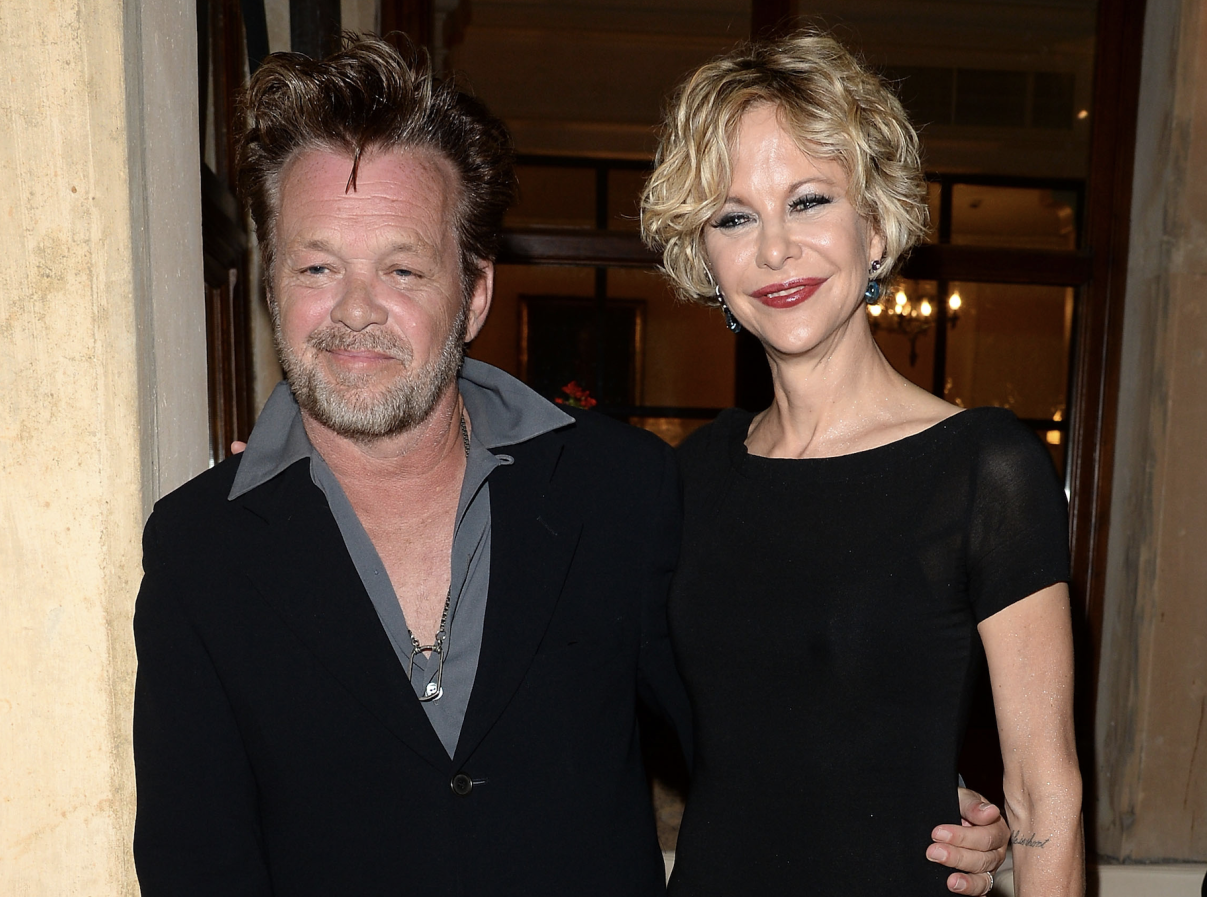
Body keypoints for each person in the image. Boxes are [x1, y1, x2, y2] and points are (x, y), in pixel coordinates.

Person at [132, 36, 1010, 896]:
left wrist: (921, 811)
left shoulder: (618, 489)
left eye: (403, 268)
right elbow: (194, 866)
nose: (356, 309)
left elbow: (752, 736)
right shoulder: (200, 547)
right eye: (317, 265)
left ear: (473, 292)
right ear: (272, 284)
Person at [641, 30, 1085, 897]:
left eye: (808, 201)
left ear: (875, 228)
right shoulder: (689, 477)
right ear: (706, 260)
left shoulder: (983, 467)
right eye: (735, 217)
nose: (774, 250)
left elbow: (1045, 792)